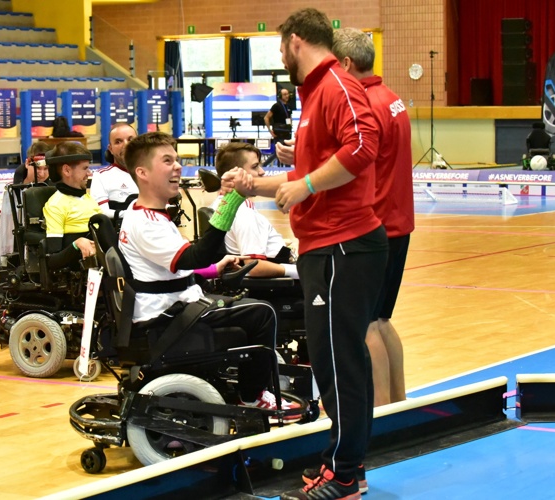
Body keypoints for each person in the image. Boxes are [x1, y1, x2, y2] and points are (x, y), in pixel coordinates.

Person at [224, 9, 387, 500]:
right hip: (327, 246)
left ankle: (344, 474)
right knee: (333, 363)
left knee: (340, 364)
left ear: (296, 42)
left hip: (344, 245)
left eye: (279, 49)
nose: (280, 58)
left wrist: (309, 183)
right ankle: (344, 467)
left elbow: (363, 148)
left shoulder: (336, 84)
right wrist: (254, 182)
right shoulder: (315, 94)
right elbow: (302, 180)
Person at [120, 131, 300, 416]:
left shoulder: (145, 212)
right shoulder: (146, 222)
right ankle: (252, 398)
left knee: (249, 310)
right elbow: (196, 256)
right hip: (167, 320)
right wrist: (231, 201)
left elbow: (178, 266)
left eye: (177, 160)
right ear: (142, 172)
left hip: (175, 308)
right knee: (262, 313)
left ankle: (250, 384)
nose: (178, 166)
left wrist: (215, 269)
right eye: (167, 161)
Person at [333, 27, 413, 409]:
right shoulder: (393, 98)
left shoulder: (364, 106)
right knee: (381, 320)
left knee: (365, 326)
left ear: (346, 63)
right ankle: (399, 400)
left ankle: (379, 412)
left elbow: (351, 166)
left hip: (375, 226)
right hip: (399, 223)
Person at [212, 142, 297, 279]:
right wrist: (299, 271)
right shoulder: (243, 213)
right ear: (236, 173)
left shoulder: (218, 203)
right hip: (277, 285)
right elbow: (254, 267)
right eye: (255, 166)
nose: (262, 172)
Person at [42, 142, 101, 271]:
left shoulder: (88, 199)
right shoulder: (55, 205)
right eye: (85, 168)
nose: (89, 173)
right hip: (80, 268)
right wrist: (76, 244)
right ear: (67, 170)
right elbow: (52, 260)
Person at [0, 141, 54, 262]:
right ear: (28, 163)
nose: (42, 174)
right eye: (38, 168)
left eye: (46, 169)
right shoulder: (11, 189)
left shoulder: (55, 185)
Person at [91, 123, 139, 224]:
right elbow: (101, 212)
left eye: (130, 139)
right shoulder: (101, 176)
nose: (126, 145)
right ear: (111, 149)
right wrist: (134, 214)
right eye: (118, 141)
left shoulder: (152, 172)